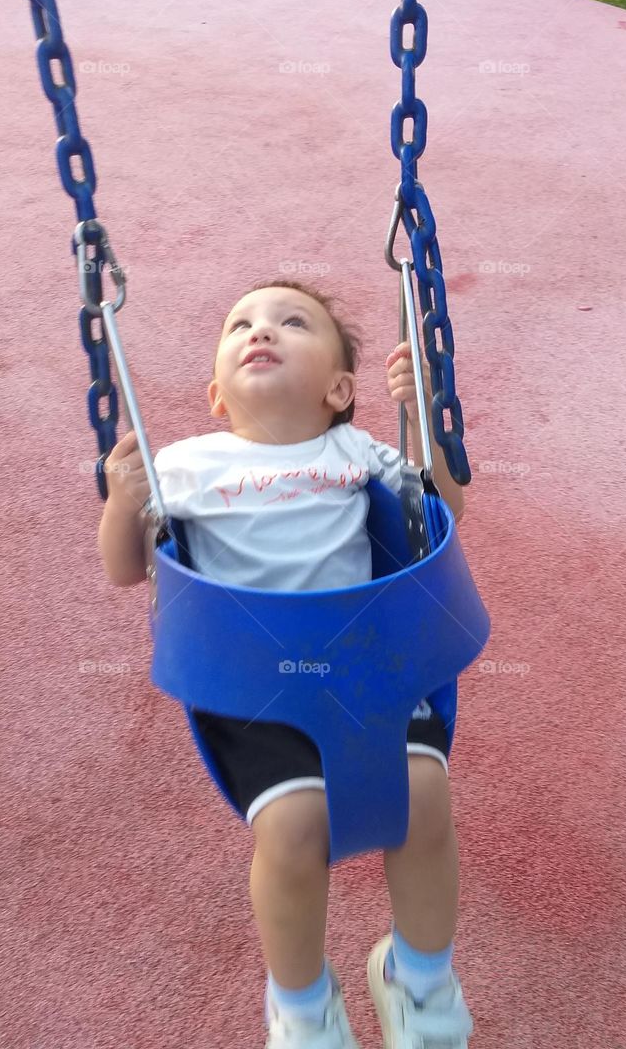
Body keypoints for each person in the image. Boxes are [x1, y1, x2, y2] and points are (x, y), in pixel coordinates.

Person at [98, 278, 475, 1049]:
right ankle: (302, 1008)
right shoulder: (186, 466)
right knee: (296, 828)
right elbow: (127, 570)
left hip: (369, 669)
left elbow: (445, 511)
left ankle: (420, 981)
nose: (259, 331)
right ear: (215, 392)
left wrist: (425, 418)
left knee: (426, 796)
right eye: (240, 324)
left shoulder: (357, 452)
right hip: (253, 690)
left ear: (340, 388)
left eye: (292, 322)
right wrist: (120, 502)